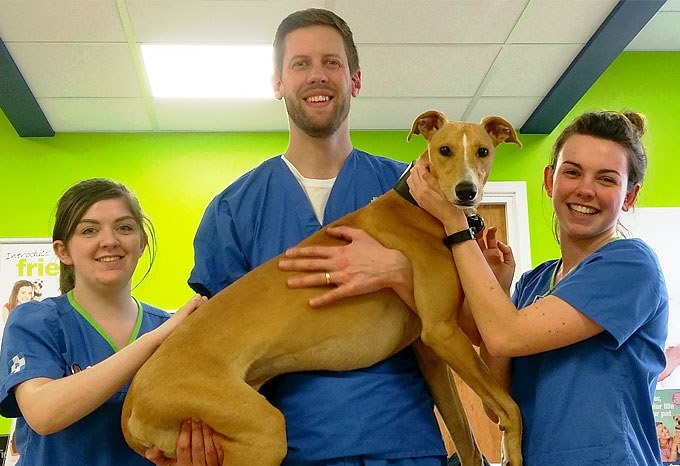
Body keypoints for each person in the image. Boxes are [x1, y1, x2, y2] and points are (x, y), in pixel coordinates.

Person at [188, 8, 448, 466]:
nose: (317, 76)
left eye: (332, 63)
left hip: (403, 444)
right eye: (300, 64)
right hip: (290, 449)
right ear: (277, 84)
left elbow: (457, 325)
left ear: (356, 80)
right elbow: (216, 350)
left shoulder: (414, 191)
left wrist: (398, 271)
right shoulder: (233, 211)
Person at [404, 110, 668, 465]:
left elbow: (504, 335)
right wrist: (497, 285)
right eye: (572, 172)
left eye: (606, 179)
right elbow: (495, 405)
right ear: (549, 181)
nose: (585, 190)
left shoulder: (631, 265)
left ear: (630, 195)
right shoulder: (535, 283)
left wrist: (455, 221)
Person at [0, 178, 219, 466]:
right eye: (89, 230)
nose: (110, 240)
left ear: (142, 243)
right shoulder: (35, 321)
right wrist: (155, 340)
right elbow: (43, 413)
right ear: (63, 251)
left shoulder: (175, 329)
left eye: (124, 227)